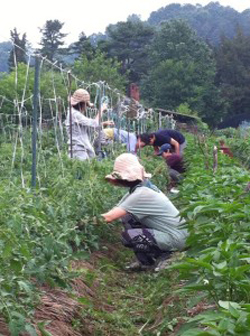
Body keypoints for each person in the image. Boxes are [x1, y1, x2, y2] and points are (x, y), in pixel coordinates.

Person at [101, 153, 188, 271]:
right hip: (178, 234)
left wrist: (80, 224)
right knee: (128, 219)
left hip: (177, 238)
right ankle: (146, 261)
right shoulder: (142, 188)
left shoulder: (141, 194)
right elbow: (118, 209)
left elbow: (108, 217)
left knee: (129, 237)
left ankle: (168, 256)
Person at [65, 88, 112, 161]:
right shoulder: (75, 114)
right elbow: (94, 123)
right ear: (82, 104)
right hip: (78, 150)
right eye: (86, 104)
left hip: (80, 148)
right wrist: (101, 110)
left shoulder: (74, 114)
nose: (86, 107)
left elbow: (90, 127)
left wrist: (104, 124)